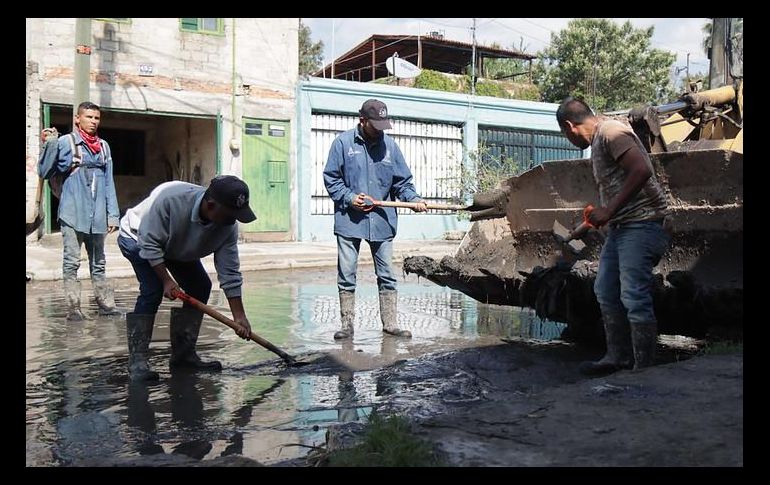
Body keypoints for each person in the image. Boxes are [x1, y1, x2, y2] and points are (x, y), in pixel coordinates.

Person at [556, 97, 671, 374]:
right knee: (605, 290)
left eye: (565, 134)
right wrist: (591, 223)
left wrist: (609, 210)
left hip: (643, 224)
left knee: (633, 294)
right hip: (623, 227)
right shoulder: (600, 141)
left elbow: (641, 171)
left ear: (570, 126)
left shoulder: (610, 132)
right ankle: (617, 357)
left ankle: (644, 368)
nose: (569, 139)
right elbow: (617, 188)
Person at [117, 176, 256, 382]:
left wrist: (239, 316)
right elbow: (149, 244)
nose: (232, 221)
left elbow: (229, 272)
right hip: (138, 238)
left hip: (174, 244)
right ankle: (137, 361)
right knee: (153, 289)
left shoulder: (228, 226)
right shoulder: (171, 201)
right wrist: (166, 279)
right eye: (229, 215)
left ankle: (183, 356)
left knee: (199, 286)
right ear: (210, 206)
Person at [323, 99, 427, 341]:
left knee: (387, 274)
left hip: (382, 221)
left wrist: (414, 199)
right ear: (362, 120)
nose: (380, 130)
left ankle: (390, 324)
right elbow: (331, 179)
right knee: (347, 274)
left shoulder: (390, 146)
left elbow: (403, 183)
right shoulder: (343, 143)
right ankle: (347, 326)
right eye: (375, 125)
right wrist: (349, 198)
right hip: (350, 221)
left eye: (383, 124)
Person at [38, 102, 121, 320]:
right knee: (71, 261)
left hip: (98, 215)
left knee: (99, 262)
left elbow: (109, 182)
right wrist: (51, 145)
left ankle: (105, 305)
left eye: (96, 118)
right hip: (72, 213)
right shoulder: (66, 142)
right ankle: (73, 309)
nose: (93, 121)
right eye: (89, 117)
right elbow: (44, 171)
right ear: (78, 119)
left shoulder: (103, 146)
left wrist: (112, 214)